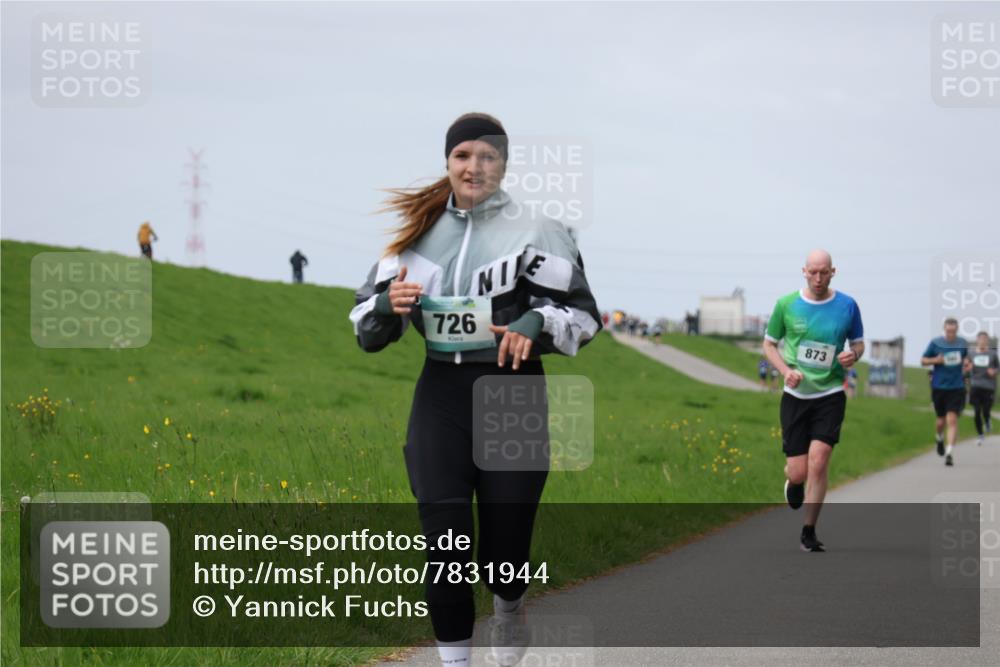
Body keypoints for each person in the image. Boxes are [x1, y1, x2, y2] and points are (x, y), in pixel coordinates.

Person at [348, 113, 601, 667]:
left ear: (503, 165)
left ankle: (510, 610)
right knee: (445, 546)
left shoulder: (539, 231)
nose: (474, 166)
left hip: (512, 396)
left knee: (502, 555)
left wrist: (536, 323)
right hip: (441, 397)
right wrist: (386, 306)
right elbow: (366, 327)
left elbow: (584, 317)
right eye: (462, 155)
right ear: (447, 162)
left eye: (487, 156)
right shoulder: (415, 236)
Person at [762, 249, 864, 552]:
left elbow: (858, 343)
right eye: (813, 272)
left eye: (824, 272)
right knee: (799, 471)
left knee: (819, 461)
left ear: (833, 272)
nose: (818, 278)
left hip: (830, 394)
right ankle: (794, 483)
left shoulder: (847, 305)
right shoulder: (786, 305)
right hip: (796, 396)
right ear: (804, 272)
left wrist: (853, 355)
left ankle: (809, 530)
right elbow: (769, 345)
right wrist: (785, 371)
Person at [921, 318, 969, 466]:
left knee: (952, 420)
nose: (950, 334)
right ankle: (939, 438)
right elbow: (923, 360)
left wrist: (967, 364)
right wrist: (936, 360)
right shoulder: (936, 343)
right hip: (939, 387)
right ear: (944, 329)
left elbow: (966, 359)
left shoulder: (962, 343)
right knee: (941, 421)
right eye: (948, 331)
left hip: (956, 387)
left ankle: (949, 453)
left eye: (953, 331)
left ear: (957, 330)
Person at [965, 331, 998, 446]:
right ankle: (980, 435)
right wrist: (967, 367)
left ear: (987, 341)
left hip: (989, 386)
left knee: (986, 410)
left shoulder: (992, 354)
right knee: (977, 411)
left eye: (985, 339)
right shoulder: (971, 353)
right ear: (977, 340)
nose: (983, 341)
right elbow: (966, 366)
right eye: (981, 339)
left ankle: (987, 420)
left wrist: (994, 371)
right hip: (975, 385)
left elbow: (998, 368)